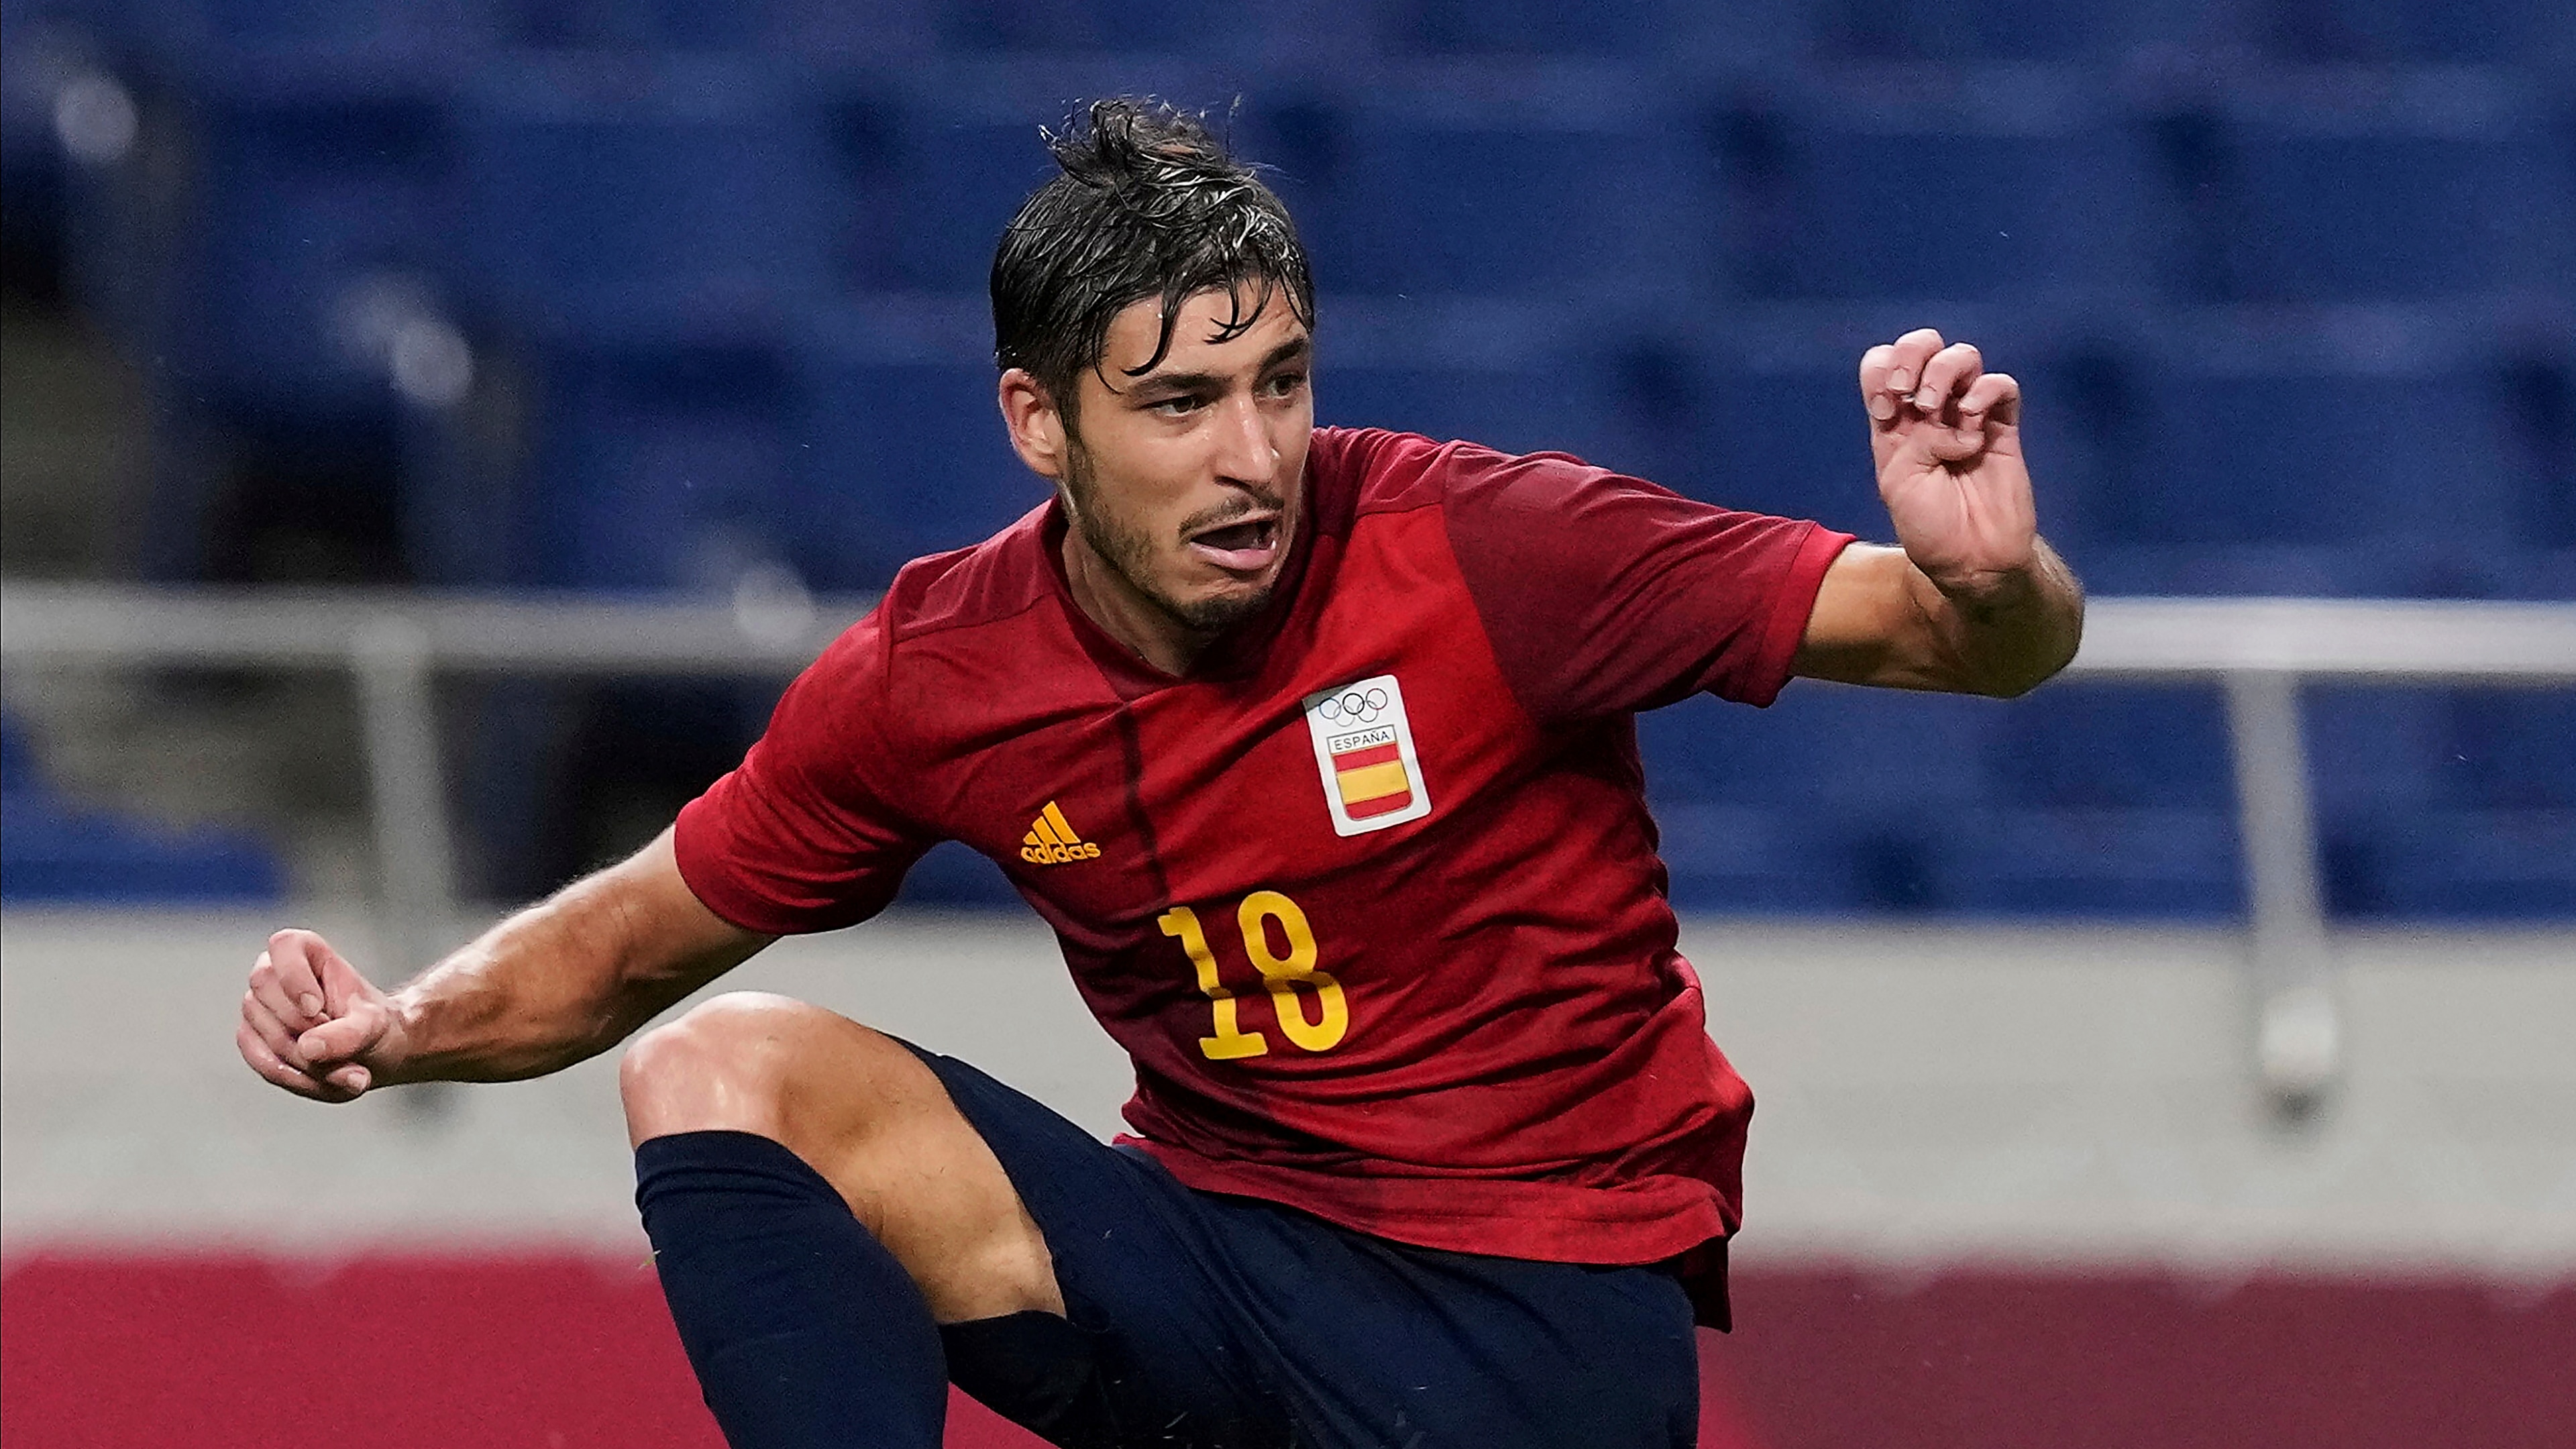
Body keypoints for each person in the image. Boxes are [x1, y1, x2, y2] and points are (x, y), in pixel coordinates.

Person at [235, 98, 2082, 1448]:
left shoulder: (1492, 549)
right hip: (1215, 1266)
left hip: (1537, 1332)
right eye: (1182, 404)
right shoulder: (938, 675)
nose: (1254, 454)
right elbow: (632, 943)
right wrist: (397, 1026)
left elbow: (1951, 642)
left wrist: (1995, 579)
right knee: (723, 1066)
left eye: (1279, 382)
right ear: (1038, 420)